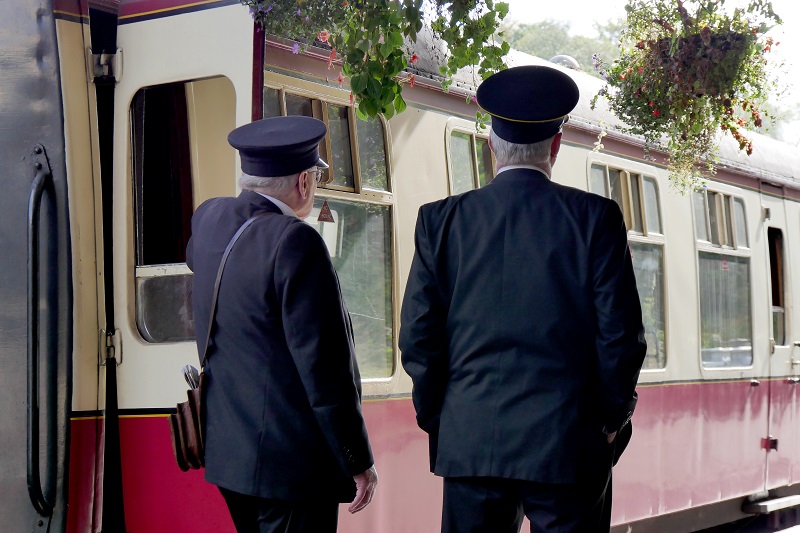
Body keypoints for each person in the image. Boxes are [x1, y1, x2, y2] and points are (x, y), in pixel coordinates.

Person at [399, 65, 646, 533]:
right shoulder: (597, 219)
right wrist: (610, 420)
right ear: (555, 146)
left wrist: (444, 419)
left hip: (471, 442)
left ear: (491, 145)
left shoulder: (440, 222)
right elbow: (621, 338)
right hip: (570, 444)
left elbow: (418, 338)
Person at [186, 116, 378, 533]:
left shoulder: (208, 220)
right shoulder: (296, 241)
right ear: (305, 182)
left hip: (230, 461)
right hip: (289, 470)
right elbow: (325, 370)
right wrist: (357, 459)